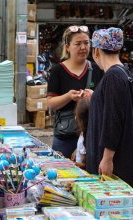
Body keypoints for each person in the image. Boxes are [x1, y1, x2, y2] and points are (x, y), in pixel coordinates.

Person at [86, 27, 133, 191]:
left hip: (115, 163)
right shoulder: (122, 72)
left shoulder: (113, 76)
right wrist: (97, 96)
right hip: (120, 156)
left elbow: (113, 120)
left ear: (96, 51)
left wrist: (107, 158)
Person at [47, 25, 103, 159]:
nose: (83, 47)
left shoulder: (97, 69)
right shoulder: (57, 71)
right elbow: (50, 104)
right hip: (65, 137)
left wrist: (92, 97)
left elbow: (104, 100)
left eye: (86, 43)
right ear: (67, 46)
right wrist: (68, 96)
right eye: (78, 44)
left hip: (91, 136)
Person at [71, 98, 91, 169]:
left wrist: (70, 163)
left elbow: (84, 165)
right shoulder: (83, 133)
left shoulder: (85, 138)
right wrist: (76, 150)